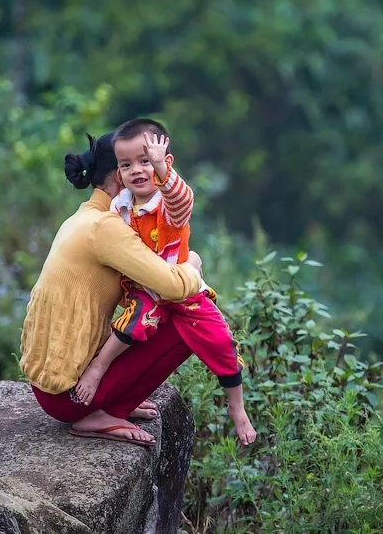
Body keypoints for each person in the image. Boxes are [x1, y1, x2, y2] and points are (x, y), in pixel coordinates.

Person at [73, 119, 257, 446]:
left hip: (184, 292)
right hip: (146, 290)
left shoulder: (168, 206)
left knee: (221, 342)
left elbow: (183, 198)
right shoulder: (120, 209)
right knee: (134, 324)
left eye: (145, 161)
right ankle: (99, 367)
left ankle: (237, 407)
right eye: (127, 165)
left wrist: (161, 170)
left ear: (164, 163)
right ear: (118, 172)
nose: (137, 170)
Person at [19, 130, 204, 447]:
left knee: (153, 308)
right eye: (138, 163)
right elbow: (173, 287)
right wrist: (193, 264)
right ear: (122, 172)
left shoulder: (84, 217)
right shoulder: (107, 228)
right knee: (193, 320)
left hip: (51, 386)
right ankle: (104, 413)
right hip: (69, 397)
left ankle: (116, 402)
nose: (146, 171)